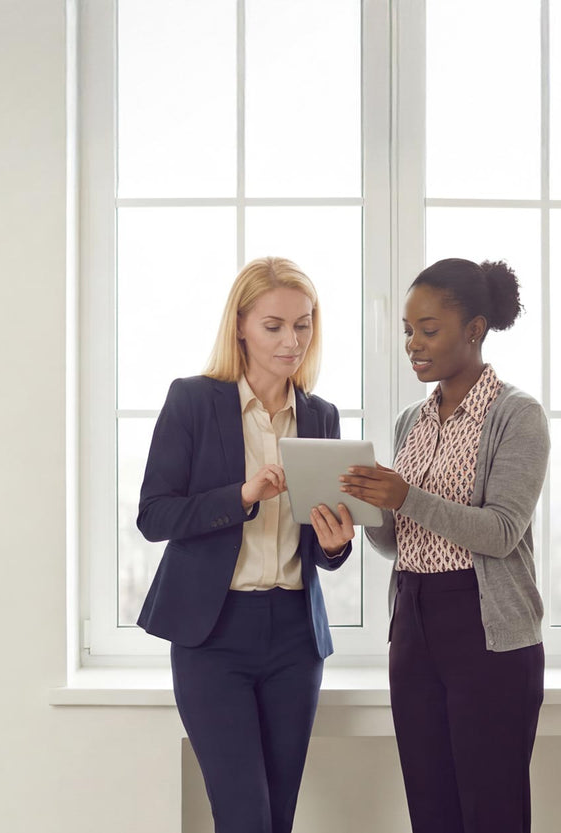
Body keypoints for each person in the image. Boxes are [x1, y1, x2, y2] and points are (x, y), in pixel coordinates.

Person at [135, 256, 358, 833]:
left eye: (303, 324)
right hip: (212, 637)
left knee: (276, 819)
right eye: (274, 325)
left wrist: (336, 546)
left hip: (294, 638)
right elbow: (154, 517)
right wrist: (240, 495)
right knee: (244, 818)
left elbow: (321, 544)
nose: (292, 341)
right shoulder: (192, 401)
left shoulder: (320, 416)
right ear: (240, 325)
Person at [340, 258, 549, 833]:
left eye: (428, 330)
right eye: (408, 331)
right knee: (430, 809)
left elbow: (502, 531)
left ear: (475, 330)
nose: (414, 345)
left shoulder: (517, 416)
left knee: (492, 811)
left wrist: (406, 496)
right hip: (413, 622)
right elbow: (400, 541)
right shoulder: (413, 419)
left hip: (486, 632)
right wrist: (367, 510)